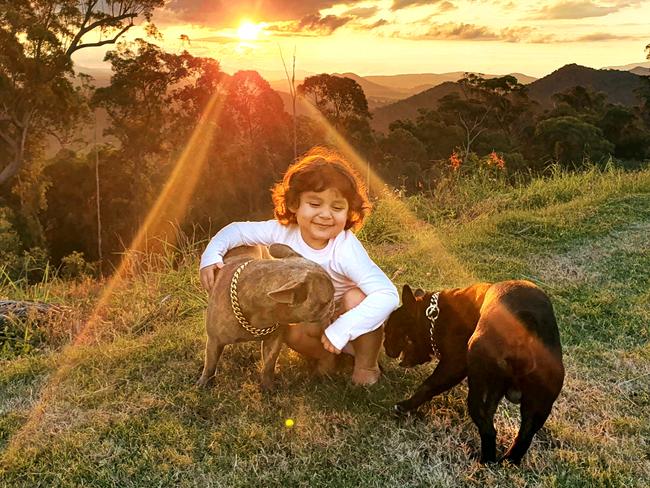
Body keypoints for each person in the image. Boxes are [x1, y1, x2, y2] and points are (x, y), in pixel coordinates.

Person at [199, 146, 399, 385]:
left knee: (355, 297)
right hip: (314, 317)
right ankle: (325, 355)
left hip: (351, 319)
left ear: (349, 212)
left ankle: (366, 366)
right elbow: (237, 231)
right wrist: (211, 257)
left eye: (337, 208)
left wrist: (343, 328)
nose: (326, 214)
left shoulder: (345, 248)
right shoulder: (282, 231)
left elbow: (387, 294)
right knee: (290, 329)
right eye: (315, 204)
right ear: (295, 204)